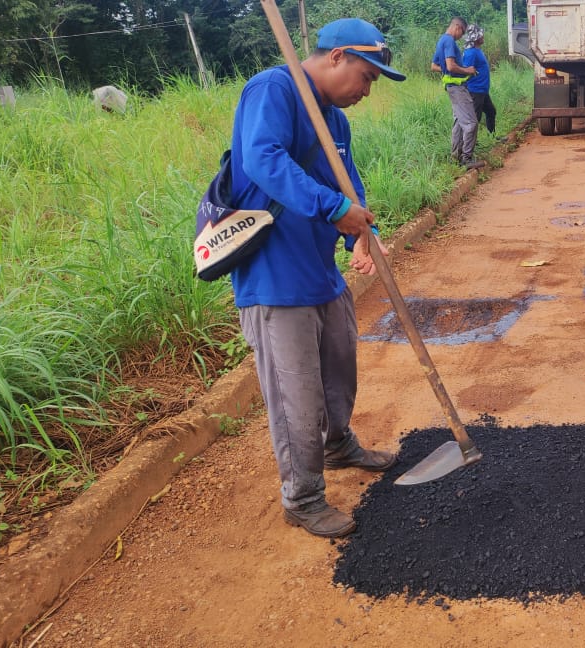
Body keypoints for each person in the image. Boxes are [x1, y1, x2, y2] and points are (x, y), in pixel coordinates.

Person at [228, 18, 404, 538]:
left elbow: (348, 187)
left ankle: (338, 445)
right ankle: (302, 497)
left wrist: (362, 233)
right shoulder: (274, 89)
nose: (367, 91)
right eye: (367, 77)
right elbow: (262, 160)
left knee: (338, 369)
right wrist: (334, 209)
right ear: (337, 56)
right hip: (275, 277)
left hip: (320, 272)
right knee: (296, 395)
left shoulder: (335, 121)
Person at [433, 17, 485, 170]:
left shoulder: (441, 40)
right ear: (457, 27)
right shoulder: (449, 41)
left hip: (451, 87)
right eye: (462, 33)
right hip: (457, 88)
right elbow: (450, 66)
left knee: (459, 123)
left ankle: (456, 156)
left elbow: (434, 66)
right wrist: (467, 70)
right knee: (471, 123)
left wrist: (448, 71)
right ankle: (466, 159)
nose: (461, 36)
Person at [462, 24, 498, 139]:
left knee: (491, 111)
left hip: (482, 90)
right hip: (475, 90)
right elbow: (466, 70)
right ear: (476, 38)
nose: (483, 37)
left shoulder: (477, 51)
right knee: (474, 118)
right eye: (481, 35)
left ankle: (491, 137)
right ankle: (471, 143)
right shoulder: (471, 53)